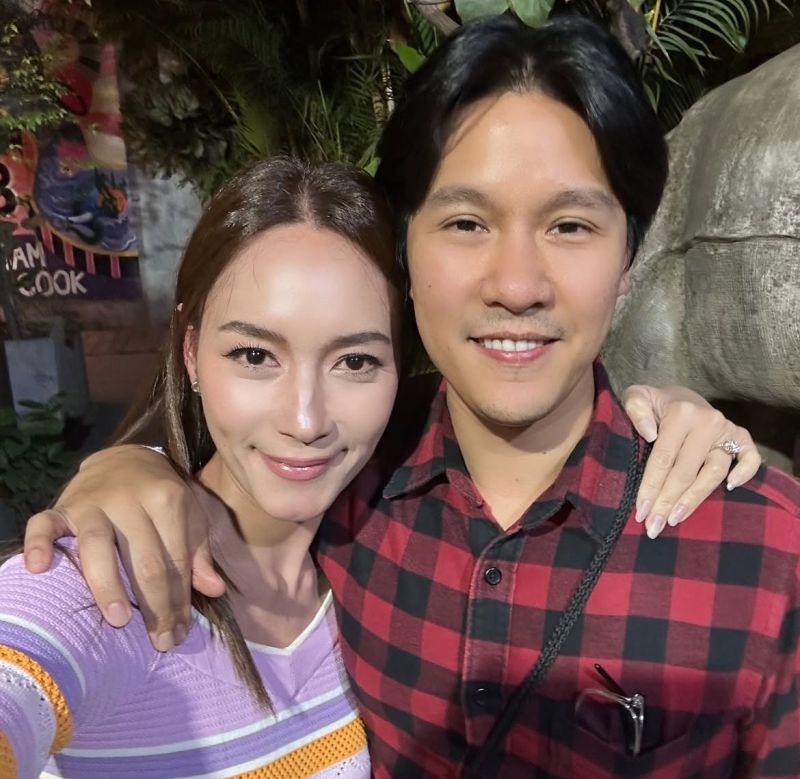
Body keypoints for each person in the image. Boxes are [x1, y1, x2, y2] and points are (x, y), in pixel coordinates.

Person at [17, 13, 794, 779]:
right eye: (466, 222)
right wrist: (130, 463)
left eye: (569, 226)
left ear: (628, 257)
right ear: (407, 255)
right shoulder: (347, 481)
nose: (517, 284)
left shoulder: (765, 553)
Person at [0, 156, 404, 776]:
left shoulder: (375, 570)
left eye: (355, 362)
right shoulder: (105, 579)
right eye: (254, 355)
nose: (305, 421)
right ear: (191, 352)